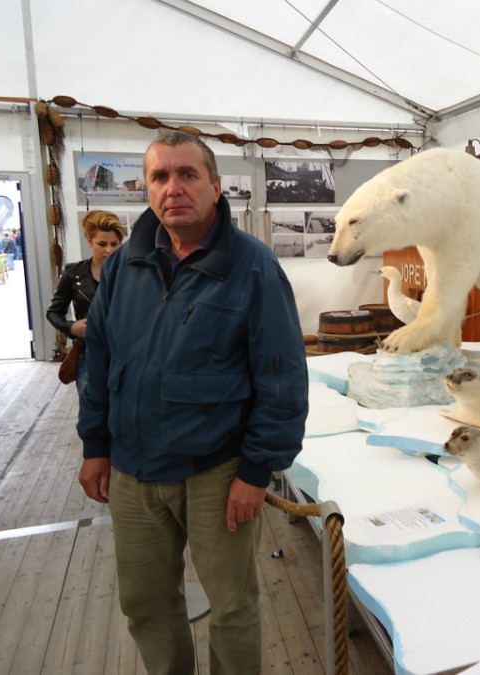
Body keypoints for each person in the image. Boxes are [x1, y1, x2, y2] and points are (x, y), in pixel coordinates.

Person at [77, 129, 308, 675]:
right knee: (146, 604)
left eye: (187, 174)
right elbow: (101, 360)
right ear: (147, 188)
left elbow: (281, 379)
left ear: (216, 185)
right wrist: (95, 444)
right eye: (160, 176)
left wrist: (256, 471)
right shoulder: (123, 267)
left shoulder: (253, 269)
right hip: (133, 472)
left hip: (217, 473)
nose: (173, 188)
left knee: (231, 607)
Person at [46, 210, 126, 396]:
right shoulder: (74, 274)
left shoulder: (131, 272)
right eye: (102, 244)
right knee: (92, 410)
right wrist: (71, 327)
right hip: (88, 354)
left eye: (115, 244)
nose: (109, 250)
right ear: (89, 242)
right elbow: (53, 312)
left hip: (124, 354)